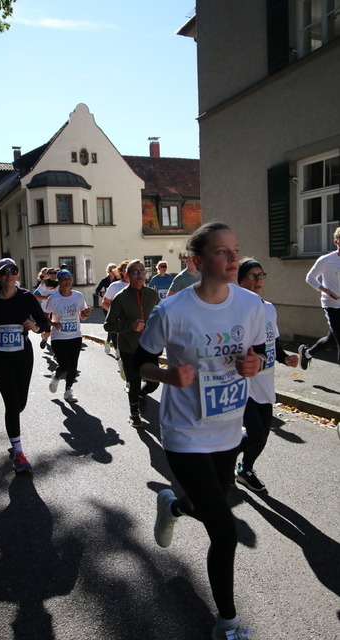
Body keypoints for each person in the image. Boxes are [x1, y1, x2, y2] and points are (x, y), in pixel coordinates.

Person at [135, 222, 267, 640]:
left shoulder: (250, 304)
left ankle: (172, 507)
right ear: (198, 261)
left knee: (211, 504)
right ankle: (227, 624)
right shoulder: (172, 311)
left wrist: (256, 363)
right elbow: (139, 363)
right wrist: (167, 375)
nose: (234, 259)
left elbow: (260, 351)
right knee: (224, 530)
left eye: (236, 250)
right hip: (184, 432)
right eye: (222, 252)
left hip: (228, 429)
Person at [0, 258, 49, 472]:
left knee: (20, 403)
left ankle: (14, 440)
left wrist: (35, 327)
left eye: (13, 271)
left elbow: (43, 322)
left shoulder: (26, 297)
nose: (9, 275)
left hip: (22, 355)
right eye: (4, 271)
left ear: (17, 275)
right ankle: (18, 453)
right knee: (11, 403)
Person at [236, 258, 298, 492]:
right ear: (240, 280)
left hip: (265, 381)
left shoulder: (269, 308)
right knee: (256, 434)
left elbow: (273, 343)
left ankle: (245, 469)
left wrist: (285, 358)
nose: (259, 279)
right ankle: (219, 459)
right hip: (243, 383)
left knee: (262, 436)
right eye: (252, 275)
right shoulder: (235, 311)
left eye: (261, 274)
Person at [104, 259, 160, 428]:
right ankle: (134, 413)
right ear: (128, 275)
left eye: (142, 271)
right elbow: (109, 325)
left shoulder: (152, 294)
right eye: (136, 272)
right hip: (129, 347)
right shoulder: (120, 298)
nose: (140, 275)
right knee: (134, 382)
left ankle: (142, 395)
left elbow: (160, 315)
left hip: (149, 347)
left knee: (154, 382)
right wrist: (130, 325)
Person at [46, 270, 91, 402]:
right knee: (64, 364)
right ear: (59, 281)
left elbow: (82, 316)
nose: (68, 281)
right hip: (59, 336)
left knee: (73, 365)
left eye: (69, 279)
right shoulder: (53, 298)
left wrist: (86, 313)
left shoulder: (78, 296)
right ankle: (57, 375)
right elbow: (45, 317)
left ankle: (68, 391)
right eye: (65, 279)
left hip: (75, 335)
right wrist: (53, 324)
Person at [299, 226, 340, 368]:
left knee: (332, 339)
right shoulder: (327, 260)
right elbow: (310, 278)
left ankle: (307, 353)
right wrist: (325, 290)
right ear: (336, 241)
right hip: (331, 305)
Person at [102, 259, 130, 360]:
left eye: (130, 269)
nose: (127, 271)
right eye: (125, 269)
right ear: (121, 271)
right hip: (119, 322)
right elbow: (105, 303)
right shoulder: (115, 286)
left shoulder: (139, 286)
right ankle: (118, 352)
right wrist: (115, 313)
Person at [95, 263, 118, 354]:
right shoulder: (104, 280)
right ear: (108, 271)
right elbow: (97, 290)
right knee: (111, 324)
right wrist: (103, 294)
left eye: (115, 269)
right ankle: (113, 346)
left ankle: (108, 342)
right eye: (111, 270)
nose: (113, 271)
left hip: (116, 305)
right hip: (107, 305)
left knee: (113, 325)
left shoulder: (118, 280)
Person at [34, 268, 59, 350]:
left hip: (57, 311)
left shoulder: (59, 284)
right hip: (46, 311)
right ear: (47, 275)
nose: (53, 274)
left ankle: (56, 351)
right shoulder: (43, 284)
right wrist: (46, 297)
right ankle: (44, 338)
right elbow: (35, 295)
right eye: (51, 273)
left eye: (54, 273)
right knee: (48, 332)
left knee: (57, 331)